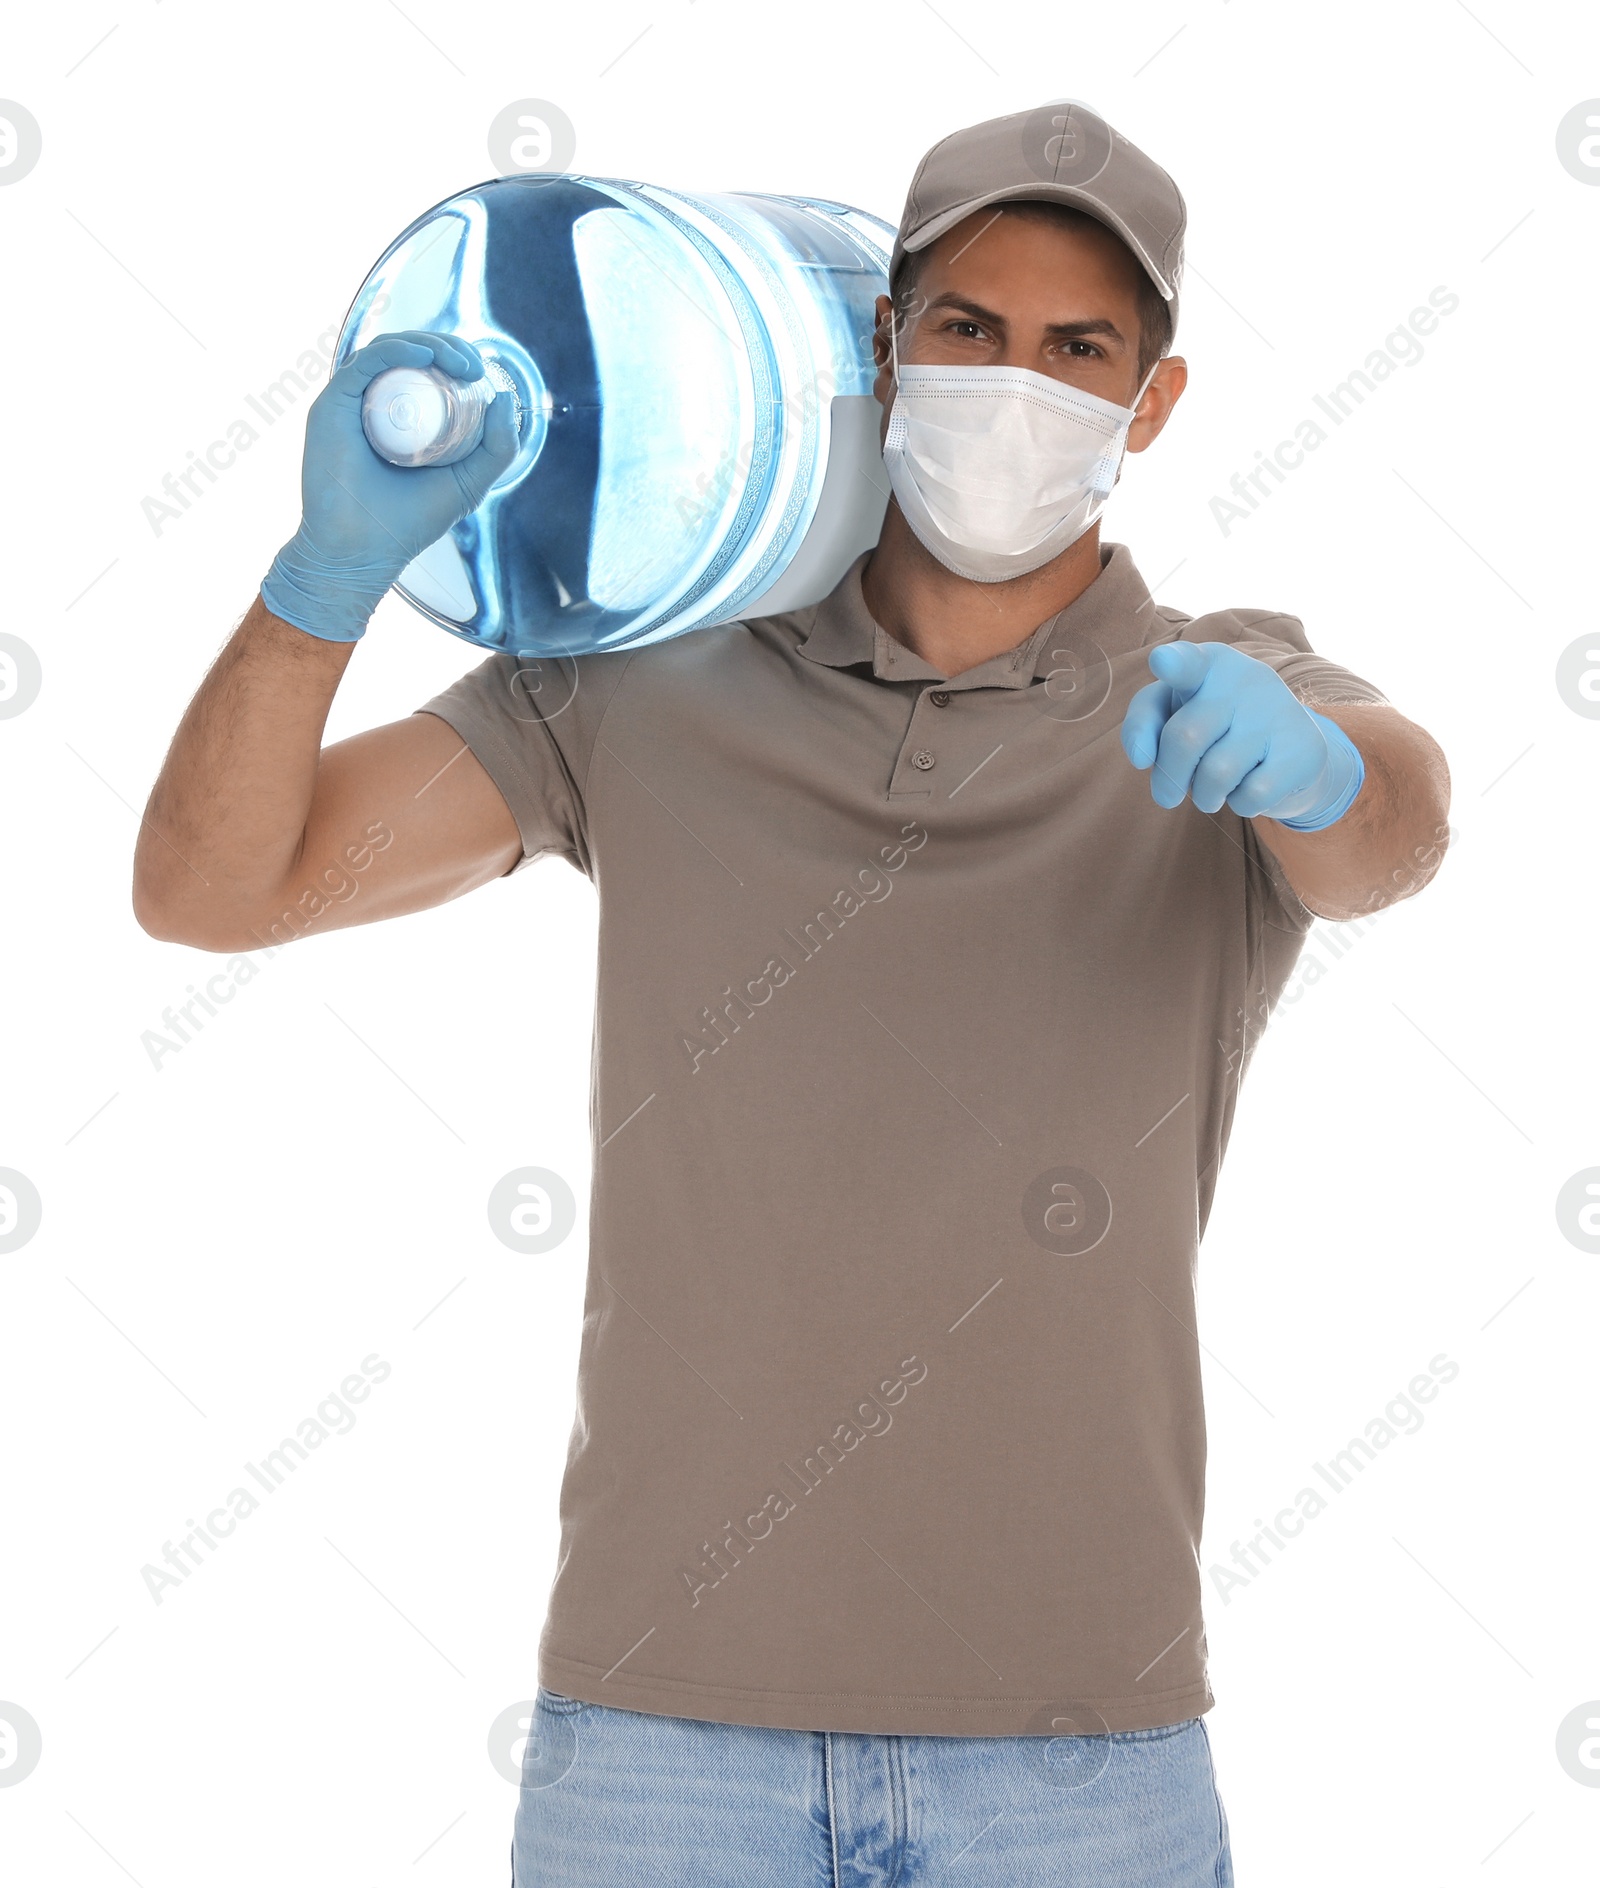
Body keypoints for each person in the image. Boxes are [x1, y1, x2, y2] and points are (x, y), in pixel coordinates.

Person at [133, 104, 1449, 1887]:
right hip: (660, 1742)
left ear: (1152, 407)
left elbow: (1395, 829)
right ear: (884, 343)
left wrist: (1317, 773)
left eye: (1081, 353)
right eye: (970, 330)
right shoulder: (638, 684)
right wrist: (327, 575)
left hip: (1079, 1754)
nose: (1017, 387)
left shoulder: (1221, 697)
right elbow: (216, 891)